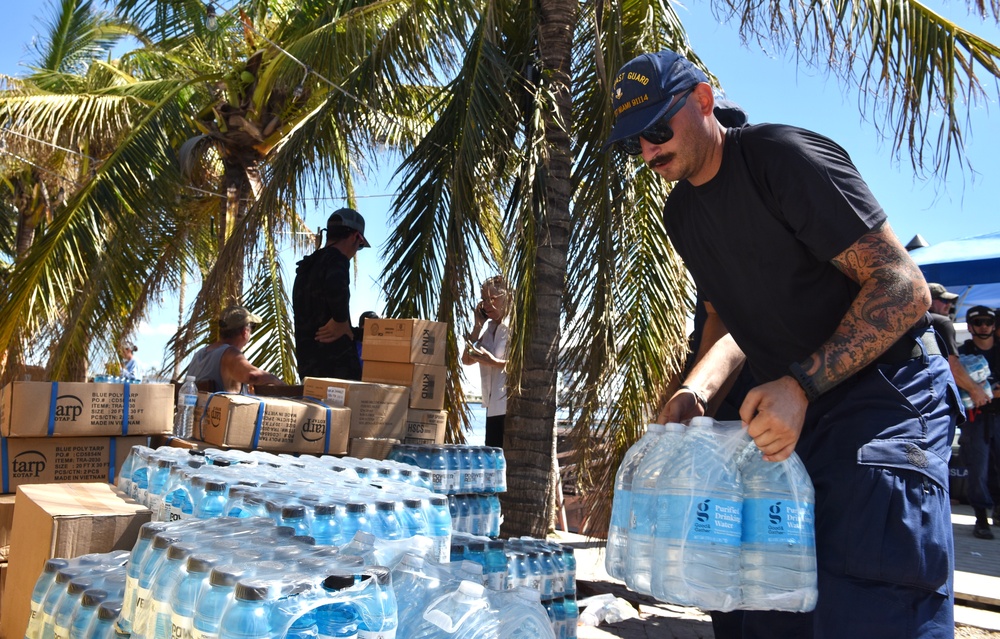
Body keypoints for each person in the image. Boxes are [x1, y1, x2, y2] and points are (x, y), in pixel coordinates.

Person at [605, 50, 962, 638]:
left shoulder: (781, 158)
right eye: (631, 144)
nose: (647, 152)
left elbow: (903, 287)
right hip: (792, 413)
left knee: (866, 611)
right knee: (762, 604)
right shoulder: (684, 215)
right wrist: (698, 392)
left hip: (885, 400)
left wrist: (800, 384)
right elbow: (728, 320)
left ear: (701, 99)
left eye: (655, 130)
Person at [293, 207, 371, 381]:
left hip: (308, 366)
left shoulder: (306, 266)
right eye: (360, 247)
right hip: (335, 367)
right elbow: (336, 287)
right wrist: (340, 320)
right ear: (355, 237)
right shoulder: (337, 259)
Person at [957, 305, 1000, 538]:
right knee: (977, 468)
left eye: (988, 322)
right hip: (975, 419)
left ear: (994, 325)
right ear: (970, 326)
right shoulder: (961, 354)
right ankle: (981, 516)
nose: (984, 326)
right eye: (978, 322)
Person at [188, 304, 284, 393]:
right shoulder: (230, 353)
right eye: (252, 327)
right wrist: (280, 383)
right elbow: (253, 375)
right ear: (245, 331)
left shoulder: (199, 355)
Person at [461, 275, 510, 448]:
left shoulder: (514, 327)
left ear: (508, 297)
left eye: (492, 299)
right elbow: (466, 359)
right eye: (483, 300)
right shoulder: (488, 329)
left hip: (511, 408)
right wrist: (477, 326)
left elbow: (527, 365)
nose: (487, 305)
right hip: (493, 406)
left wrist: (494, 362)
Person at [927, 282, 989, 406]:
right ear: (929, 301)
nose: (949, 305)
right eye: (944, 300)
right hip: (938, 400)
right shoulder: (942, 323)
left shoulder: (907, 324)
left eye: (950, 302)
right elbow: (952, 366)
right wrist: (975, 390)